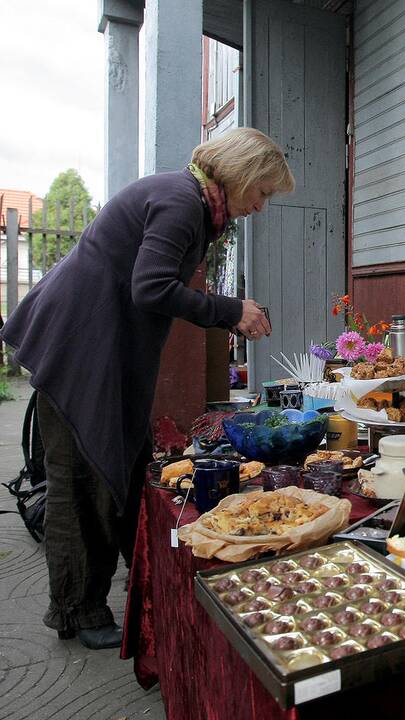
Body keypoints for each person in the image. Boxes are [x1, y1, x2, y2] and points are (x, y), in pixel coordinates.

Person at [1, 128, 292, 650]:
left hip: (96, 346)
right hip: (77, 347)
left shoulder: (189, 201)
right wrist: (231, 312)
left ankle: (142, 589)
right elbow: (151, 286)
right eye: (263, 191)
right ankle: (79, 611)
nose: (262, 205)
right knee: (82, 481)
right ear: (241, 174)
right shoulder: (181, 203)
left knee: (124, 464)